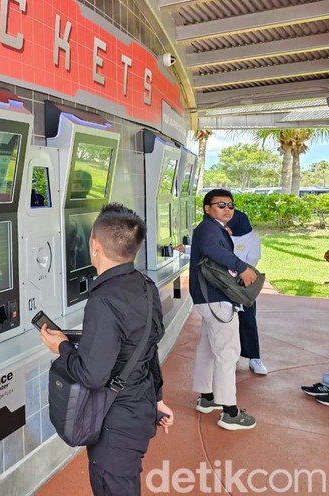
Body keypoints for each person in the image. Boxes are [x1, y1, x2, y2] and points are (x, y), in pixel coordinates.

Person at [40, 203, 172, 496]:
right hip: (138, 409)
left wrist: (60, 347)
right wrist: (157, 399)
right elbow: (146, 348)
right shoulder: (146, 286)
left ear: (94, 245)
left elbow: (93, 375)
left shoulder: (103, 299)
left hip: (115, 423)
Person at [189, 189, 258, 430]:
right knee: (227, 353)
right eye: (220, 205)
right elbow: (212, 249)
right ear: (208, 208)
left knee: (208, 349)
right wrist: (241, 267)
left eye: (230, 205)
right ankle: (230, 411)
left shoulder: (213, 227)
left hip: (208, 298)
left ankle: (207, 398)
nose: (227, 209)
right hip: (216, 298)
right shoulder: (209, 228)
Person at [225, 209, 267, 375]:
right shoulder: (223, 235)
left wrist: (239, 274)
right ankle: (228, 357)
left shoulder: (252, 239)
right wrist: (185, 248)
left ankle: (254, 358)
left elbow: (252, 264)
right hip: (222, 284)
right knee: (224, 323)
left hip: (243, 285)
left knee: (247, 320)